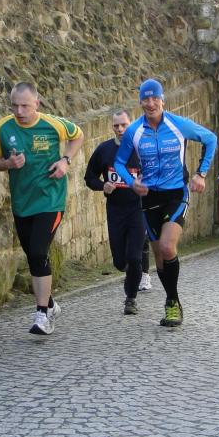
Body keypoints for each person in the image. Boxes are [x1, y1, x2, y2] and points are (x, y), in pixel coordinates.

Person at [114, 78, 217, 327]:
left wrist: (201, 173)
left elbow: (210, 138)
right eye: (146, 99)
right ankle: (172, 300)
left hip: (175, 193)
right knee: (159, 254)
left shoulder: (177, 124)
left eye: (155, 99)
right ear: (140, 102)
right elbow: (119, 162)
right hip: (149, 197)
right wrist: (131, 182)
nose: (151, 104)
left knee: (168, 247)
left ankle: (172, 303)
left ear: (162, 100)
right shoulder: (134, 131)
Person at [0, 82, 84, 335]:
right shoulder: (2, 127)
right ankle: (49, 304)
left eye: (25, 106)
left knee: (39, 252)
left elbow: (78, 135)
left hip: (50, 200)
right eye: (15, 106)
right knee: (32, 256)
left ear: (36, 104)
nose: (19, 111)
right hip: (22, 203)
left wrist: (65, 160)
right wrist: (8, 163)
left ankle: (42, 315)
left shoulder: (52, 124)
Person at [84, 109, 148, 315]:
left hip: (138, 209)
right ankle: (130, 272)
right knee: (120, 261)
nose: (120, 129)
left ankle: (131, 299)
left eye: (124, 125)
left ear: (131, 125)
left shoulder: (143, 149)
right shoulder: (104, 150)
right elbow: (89, 177)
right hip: (115, 210)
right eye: (116, 125)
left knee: (135, 257)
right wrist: (102, 185)